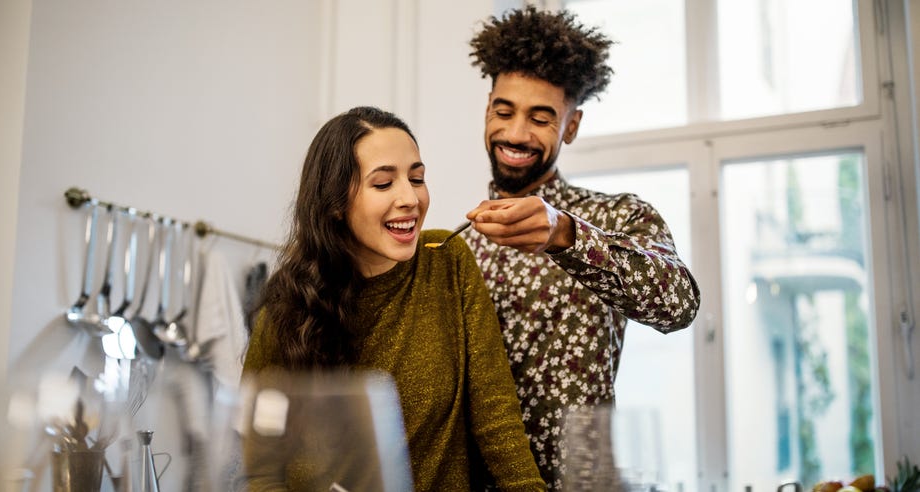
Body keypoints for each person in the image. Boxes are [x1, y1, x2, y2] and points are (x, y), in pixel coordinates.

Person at [242, 106, 545, 491]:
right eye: (384, 184)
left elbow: (498, 424)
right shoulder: (287, 303)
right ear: (335, 203)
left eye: (416, 178)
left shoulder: (448, 260)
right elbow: (262, 469)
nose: (410, 198)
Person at [463, 6, 702, 489]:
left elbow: (679, 305)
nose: (515, 133)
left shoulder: (617, 218)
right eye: (504, 111)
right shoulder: (458, 247)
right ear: (488, 108)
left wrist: (566, 234)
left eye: (541, 118)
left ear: (570, 127)